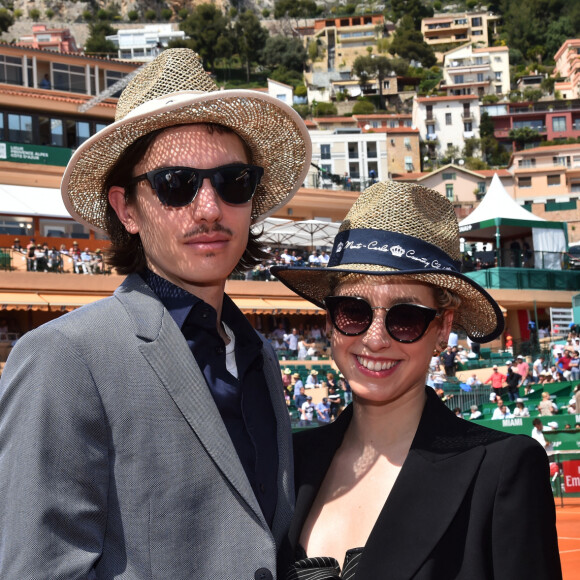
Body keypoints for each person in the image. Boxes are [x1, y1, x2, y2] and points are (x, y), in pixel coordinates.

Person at [0, 49, 312, 579]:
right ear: (126, 210)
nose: (209, 208)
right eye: (176, 184)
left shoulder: (259, 357)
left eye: (232, 182)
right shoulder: (65, 356)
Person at [272, 180, 561, 579]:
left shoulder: (501, 471)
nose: (374, 339)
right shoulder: (286, 464)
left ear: (443, 329)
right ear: (330, 321)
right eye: (353, 311)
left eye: (405, 317)